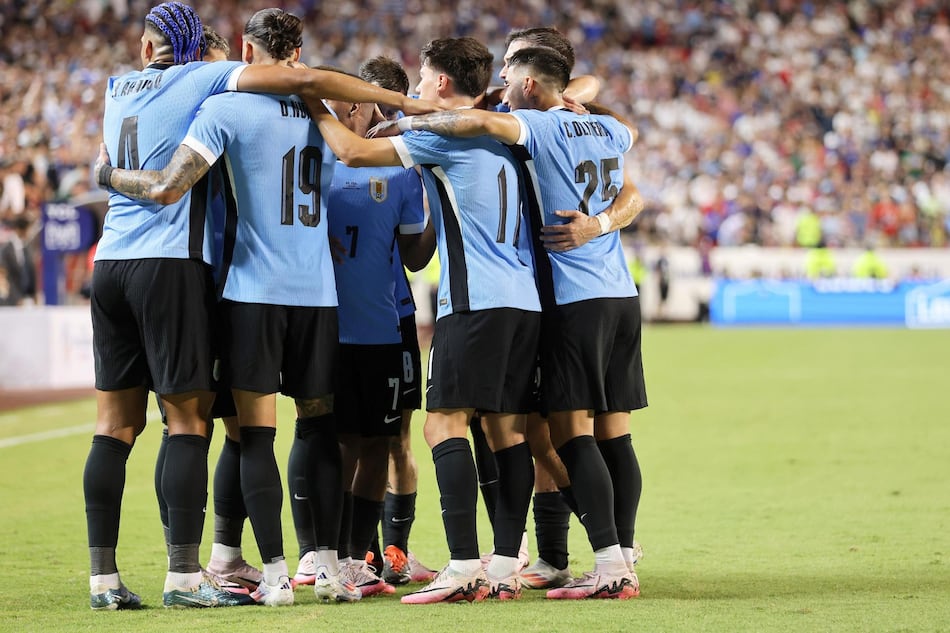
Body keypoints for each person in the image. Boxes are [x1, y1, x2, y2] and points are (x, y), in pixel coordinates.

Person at [87, 2, 438, 610]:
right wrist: (402, 111)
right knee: (302, 424)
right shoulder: (305, 110)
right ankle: (313, 562)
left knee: (224, 432)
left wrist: (108, 176)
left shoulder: (172, 97)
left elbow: (176, 180)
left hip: (213, 281)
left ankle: (250, 569)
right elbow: (346, 153)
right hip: (306, 291)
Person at [387, 45, 646, 599]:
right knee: (566, 433)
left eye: (510, 69)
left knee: (568, 436)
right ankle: (559, 558)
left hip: (564, 296)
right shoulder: (604, 129)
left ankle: (609, 562)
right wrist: (602, 218)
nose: (501, 77)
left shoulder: (528, 126)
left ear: (530, 84)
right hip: (615, 293)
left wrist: (396, 108)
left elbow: (480, 117)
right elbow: (630, 168)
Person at [304, 36, 542, 603]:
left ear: (439, 84)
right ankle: (504, 562)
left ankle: (462, 564)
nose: (412, 88)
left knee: (442, 426)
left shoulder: (444, 134)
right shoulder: (506, 127)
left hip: (475, 300)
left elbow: (355, 154)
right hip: (524, 301)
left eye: (419, 77)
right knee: (507, 432)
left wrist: (315, 102)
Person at [356, 55, 438, 587]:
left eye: (385, 103)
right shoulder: (330, 153)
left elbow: (415, 257)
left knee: (396, 439)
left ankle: (395, 550)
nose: (373, 113)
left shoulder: (406, 161)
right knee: (343, 437)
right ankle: (354, 553)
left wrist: (423, 187)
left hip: (394, 314)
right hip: (334, 318)